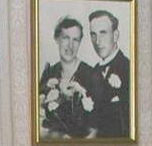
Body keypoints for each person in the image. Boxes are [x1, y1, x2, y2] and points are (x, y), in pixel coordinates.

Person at [38, 16, 98, 139]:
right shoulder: (49, 73)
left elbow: (97, 129)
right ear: (57, 39)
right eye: (66, 38)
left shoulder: (91, 75)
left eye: (75, 40)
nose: (70, 46)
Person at [87, 9, 132, 139]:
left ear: (116, 35)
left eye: (103, 33)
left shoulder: (129, 69)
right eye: (93, 35)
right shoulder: (93, 72)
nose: (97, 41)